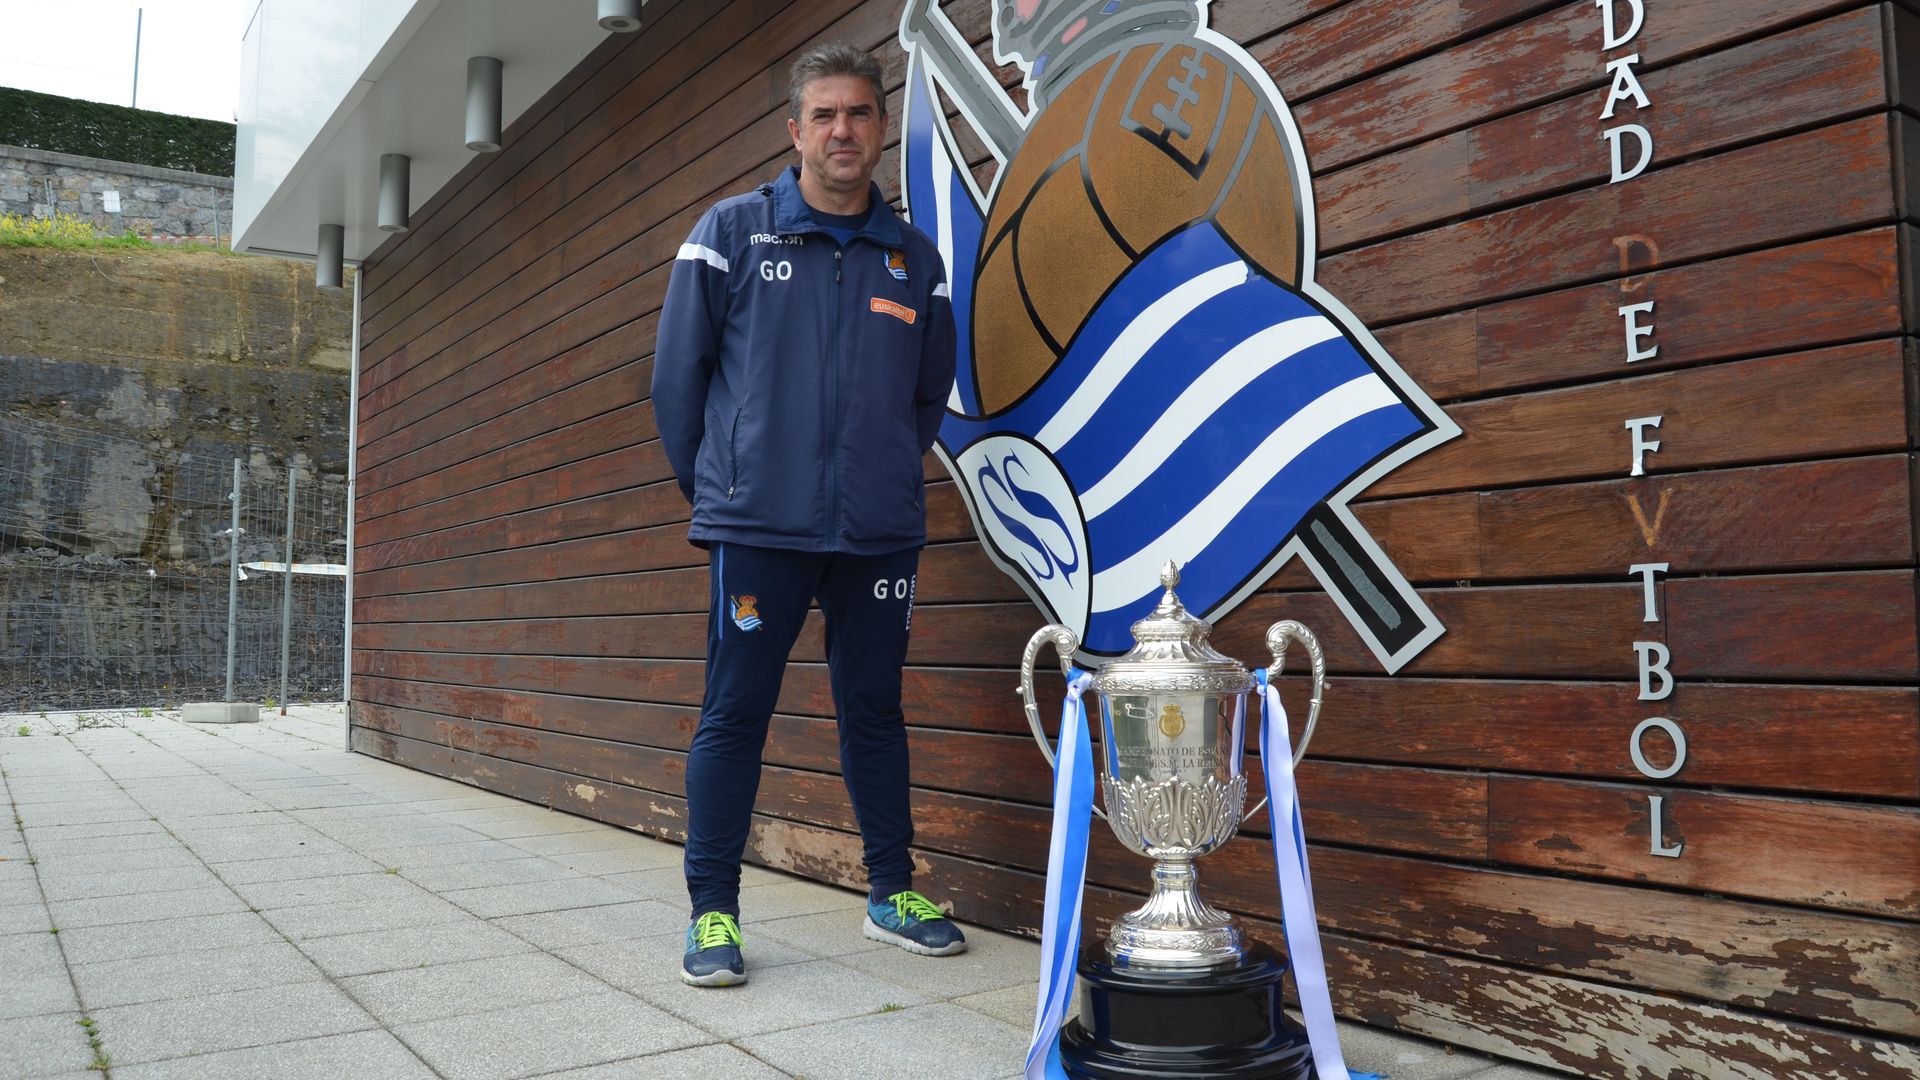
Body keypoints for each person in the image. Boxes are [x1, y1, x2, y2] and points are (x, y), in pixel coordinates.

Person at [652, 41, 961, 988]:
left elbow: (926, 396)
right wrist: (731, 492)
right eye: (824, 115)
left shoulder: (913, 258)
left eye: (859, 114)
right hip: (760, 531)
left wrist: (878, 483)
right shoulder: (732, 234)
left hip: (876, 535)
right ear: (795, 131)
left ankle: (889, 894)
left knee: (874, 711)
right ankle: (712, 914)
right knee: (735, 714)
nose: (842, 131)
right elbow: (677, 384)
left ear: (879, 131)